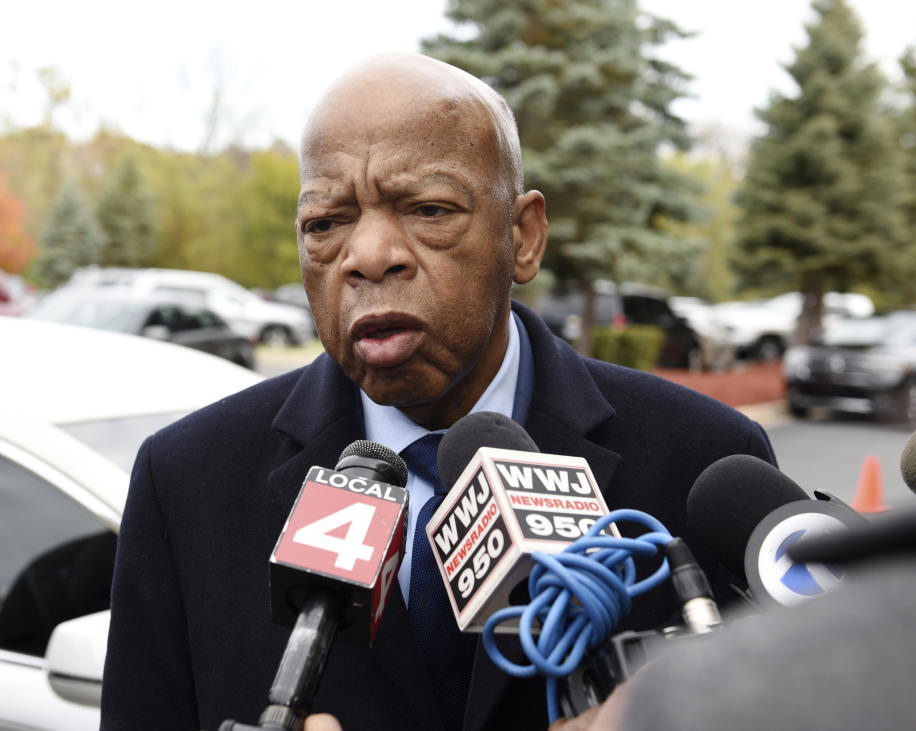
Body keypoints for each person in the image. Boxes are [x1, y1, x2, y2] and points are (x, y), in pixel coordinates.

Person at [101, 52, 776, 731]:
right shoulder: (186, 481)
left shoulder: (704, 462)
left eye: (427, 208)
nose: (367, 256)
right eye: (325, 224)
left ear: (523, 237)